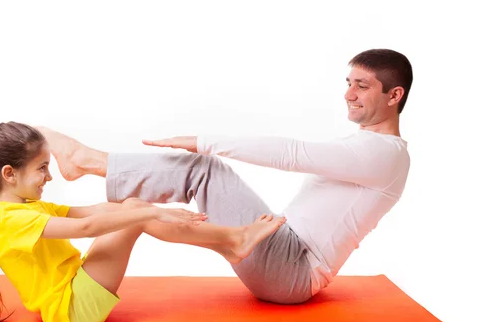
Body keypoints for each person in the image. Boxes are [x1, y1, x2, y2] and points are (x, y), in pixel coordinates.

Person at [36, 48, 413, 305]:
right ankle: (98, 175)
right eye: (348, 83)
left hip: (292, 270)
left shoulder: (384, 154)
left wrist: (201, 142)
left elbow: (291, 154)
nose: (349, 94)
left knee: (205, 170)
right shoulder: (369, 149)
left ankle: (84, 161)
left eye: (362, 86)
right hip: (282, 250)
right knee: (147, 208)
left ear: (394, 95)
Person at [0, 121, 286, 322]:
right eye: (42, 169)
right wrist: (150, 215)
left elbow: (90, 212)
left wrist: (147, 210)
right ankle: (233, 239)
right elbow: (87, 228)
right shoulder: (11, 220)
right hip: (74, 306)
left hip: (75, 286)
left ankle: (230, 243)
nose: (48, 178)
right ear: (9, 174)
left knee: (135, 209)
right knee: (137, 213)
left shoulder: (22, 207)